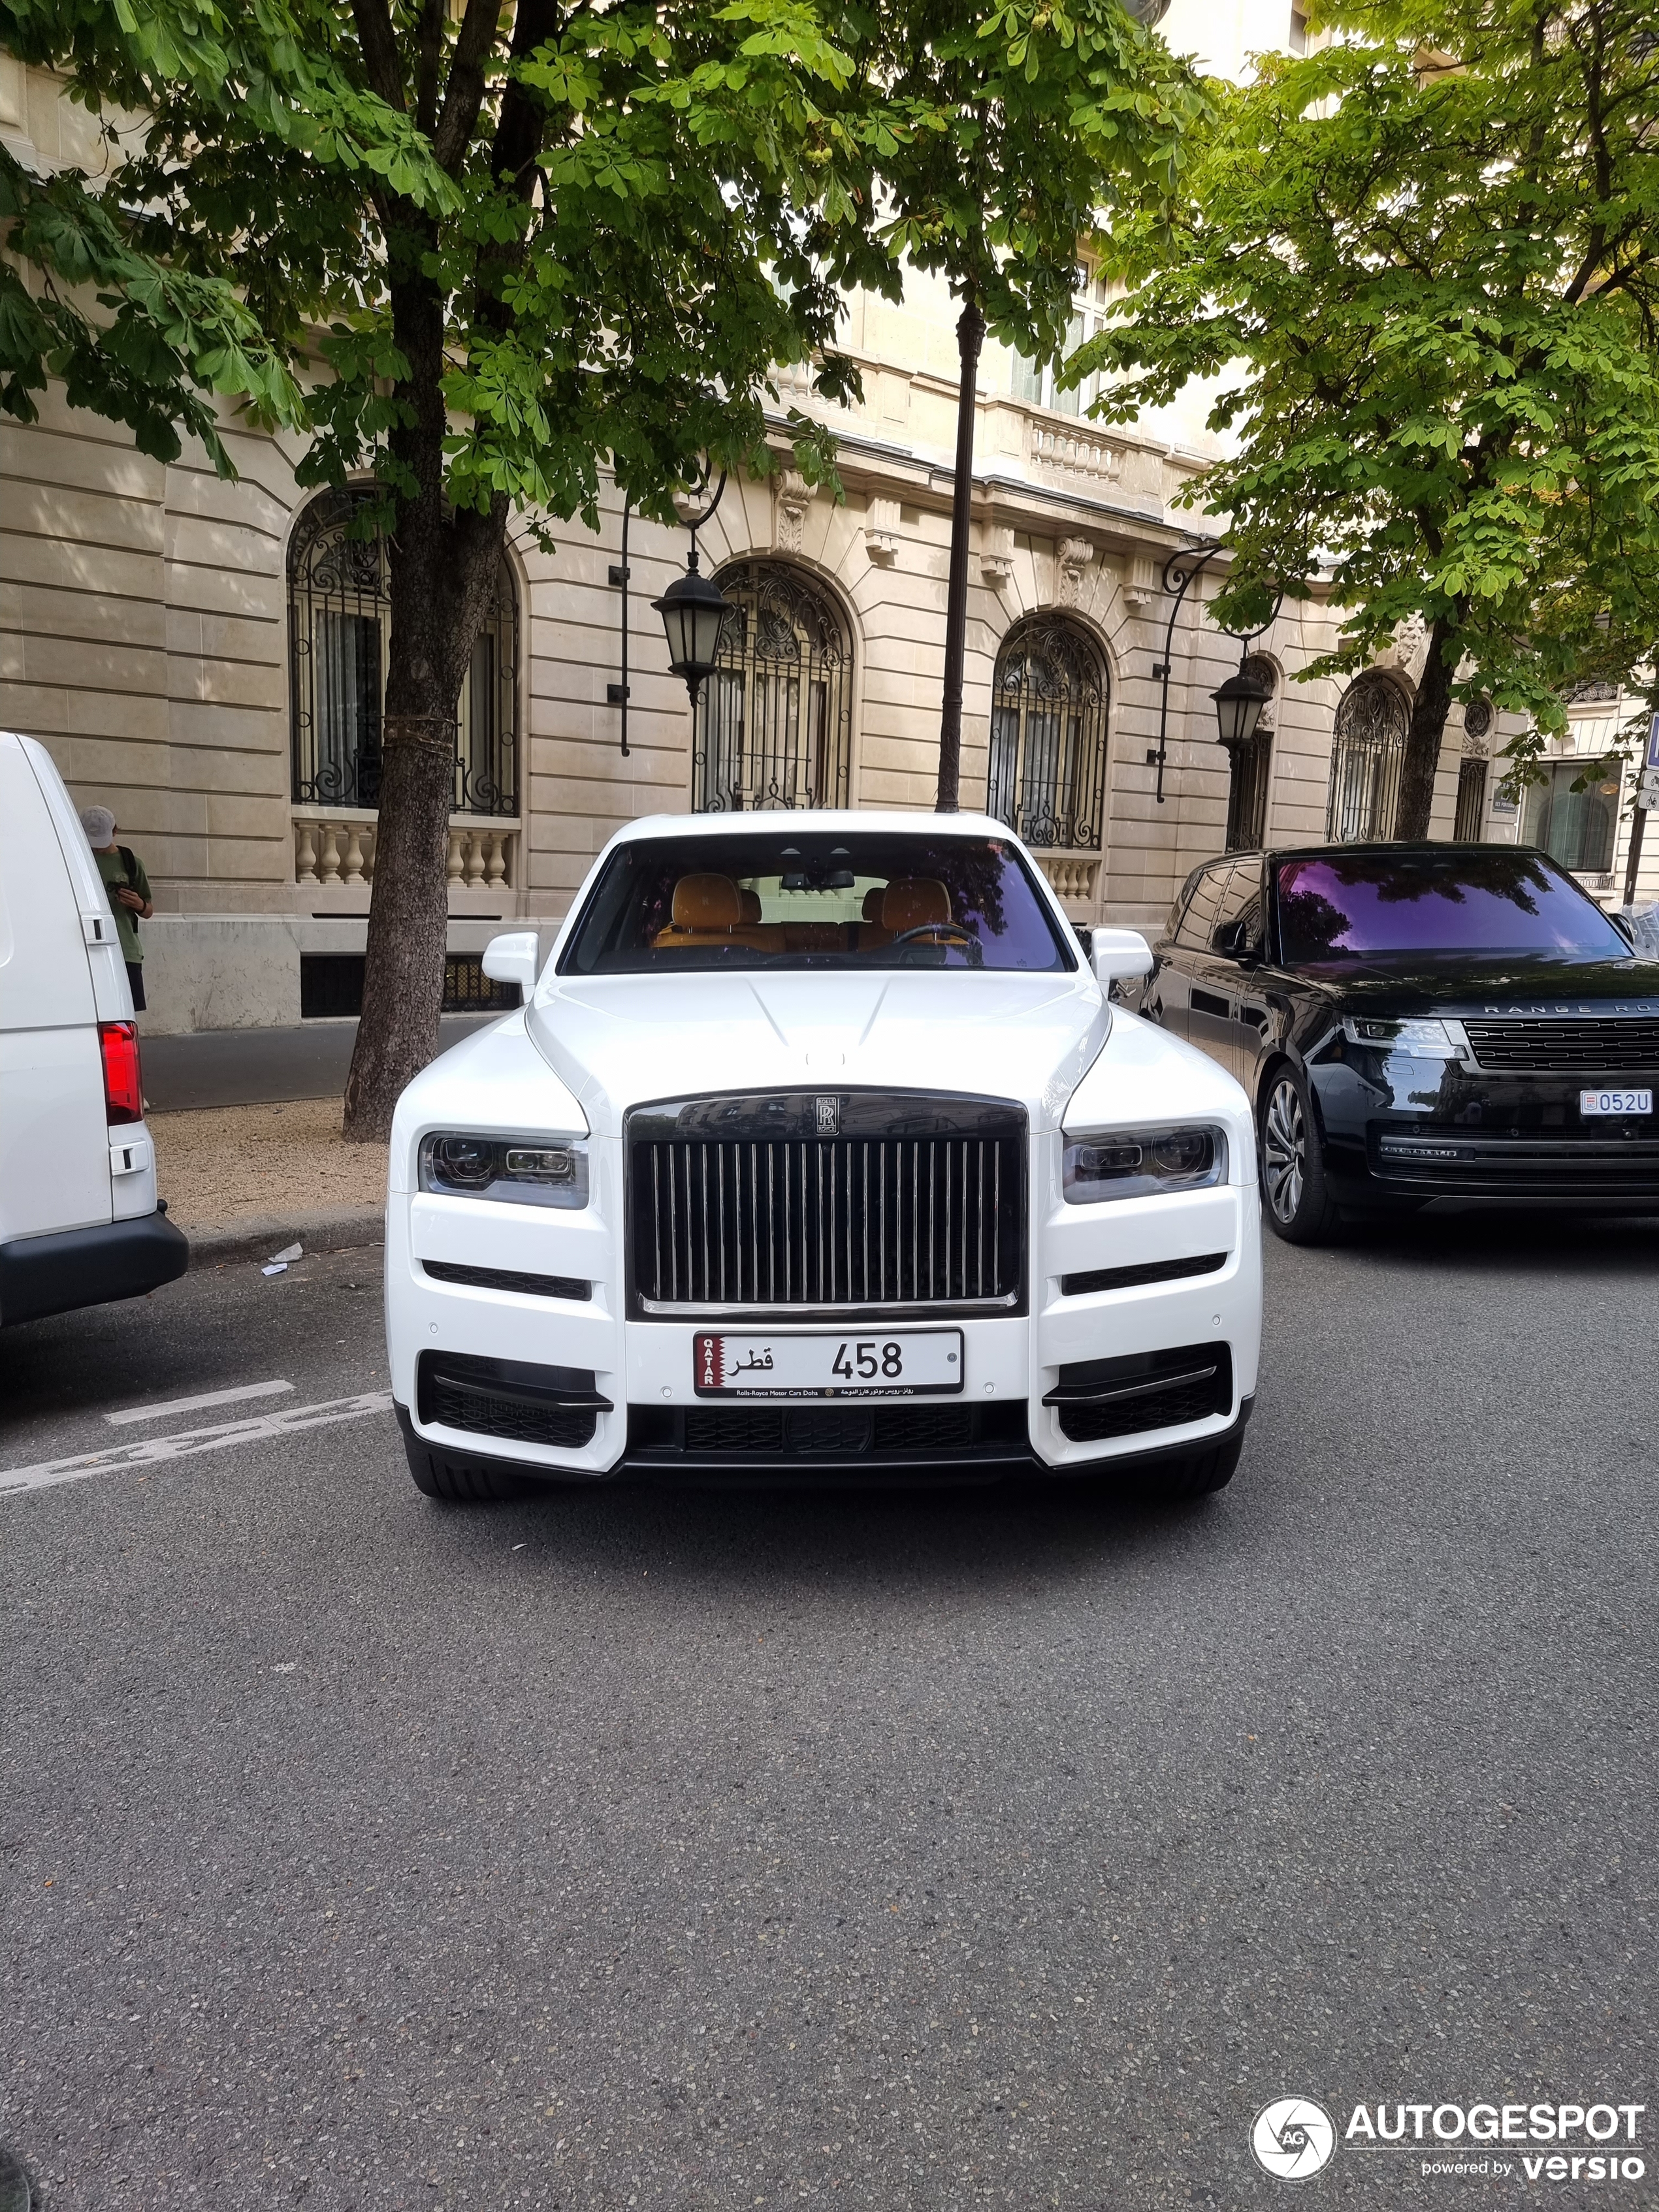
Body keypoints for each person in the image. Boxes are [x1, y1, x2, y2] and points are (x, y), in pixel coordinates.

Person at [80, 805, 154, 1012]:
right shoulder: (78, 861)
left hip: (125, 950)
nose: (97, 849)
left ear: (115, 832)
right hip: (86, 948)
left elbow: (148, 911)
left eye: (101, 842)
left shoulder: (131, 863)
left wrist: (138, 903)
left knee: (125, 1013)